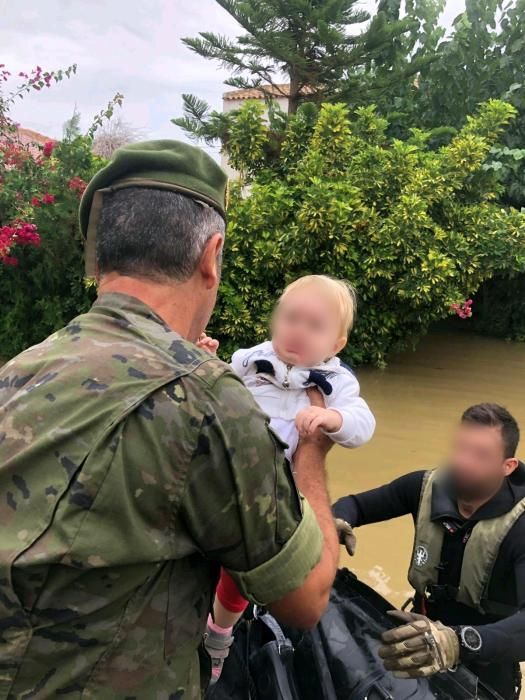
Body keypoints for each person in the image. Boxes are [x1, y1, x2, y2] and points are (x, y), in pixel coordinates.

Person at [0, 140, 339, 699]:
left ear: (101, 259)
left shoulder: (23, 367)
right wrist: (312, 457)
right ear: (212, 254)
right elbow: (306, 598)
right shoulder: (205, 398)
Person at [202, 273, 375, 681]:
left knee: (246, 571)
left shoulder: (335, 382)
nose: (298, 331)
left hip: (282, 492)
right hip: (234, 476)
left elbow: (363, 424)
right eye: (290, 318)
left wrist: (332, 418)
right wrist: (206, 358)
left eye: (315, 326)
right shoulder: (250, 359)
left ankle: (219, 635)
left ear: (337, 344)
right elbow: (215, 389)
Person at [333, 403, 525, 700]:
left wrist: (455, 643)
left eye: (480, 455)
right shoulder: (425, 487)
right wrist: (335, 523)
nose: (463, 462)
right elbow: (355, 505)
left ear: (508, 466)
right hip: (416, 636)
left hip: (487, 663)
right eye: (461, 448)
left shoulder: (521, 526)